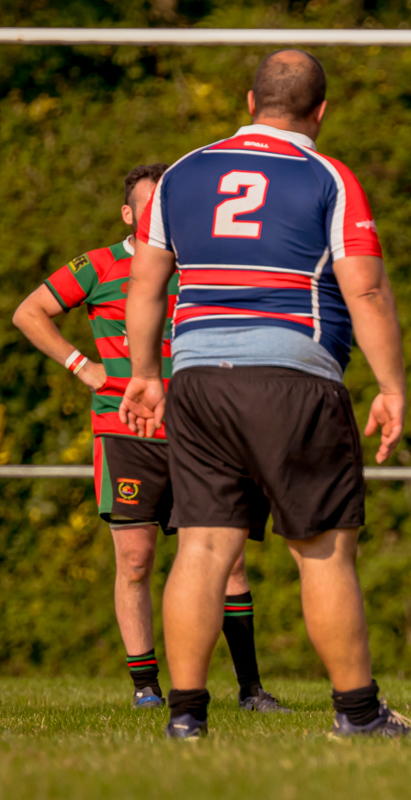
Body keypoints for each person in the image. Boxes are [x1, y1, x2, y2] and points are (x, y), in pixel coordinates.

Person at [119, 50, 411, 739]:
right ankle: (358, 715)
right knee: (322, 549)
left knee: (202, 546)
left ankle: (186, 719)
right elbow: (367, 289)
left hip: (197, 378)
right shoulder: (329, 176)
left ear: (250, 103)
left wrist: (146, 373)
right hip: (293, 377)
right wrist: (391, 385)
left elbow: (146, 284)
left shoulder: (182, 172)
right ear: (321, 112)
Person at [12, 165, 286, 713]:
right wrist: (83, 367)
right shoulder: (99, 265)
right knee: (135, 560)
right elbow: (29, 312)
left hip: (203, 434)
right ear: (128, 214)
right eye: (150, 205)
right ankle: (146, 688)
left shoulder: (204, 267)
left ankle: (251, 689)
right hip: (126, 433)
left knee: (227, 560)